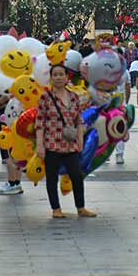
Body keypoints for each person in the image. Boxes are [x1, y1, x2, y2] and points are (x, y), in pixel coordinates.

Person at [35, 62, 96, 219]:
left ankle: (81, 207)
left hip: (70, 144)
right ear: (51, 78)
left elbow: (78, 120)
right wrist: (40, 145)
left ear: (66, 77)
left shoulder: (73, 97)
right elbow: (40, 123)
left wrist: (80, 139)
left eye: (61, 74)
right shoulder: (46, 97)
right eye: (55, 75)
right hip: (52, 143)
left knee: (76, 175)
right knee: (52, 177)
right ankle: (56, 208)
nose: (58, 77)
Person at [0, 91, 24, 195]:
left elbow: (1, 102)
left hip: (9, 120)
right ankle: (17, 183)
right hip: (20, 119)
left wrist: (1, 101)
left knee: (9, 153)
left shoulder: (10, 86)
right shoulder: (23, 84)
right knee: (18, 153)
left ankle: (12, 183)